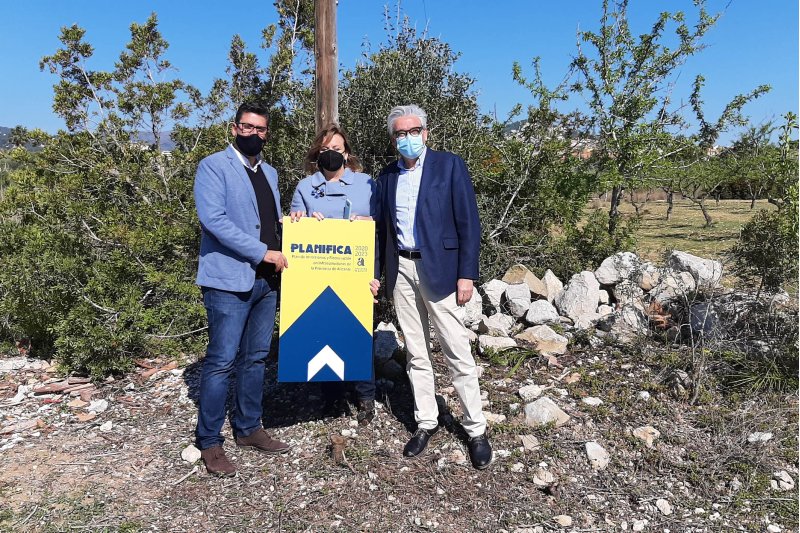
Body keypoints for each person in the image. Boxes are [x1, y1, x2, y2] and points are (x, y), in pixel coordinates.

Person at [372, 104, 492, 469]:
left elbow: (468, 223)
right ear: (393, 139)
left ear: (426, 132)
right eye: (399, 133)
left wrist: (466, 274)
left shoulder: (450, 165)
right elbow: (380, 229)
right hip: (402, 270)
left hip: (441, 270)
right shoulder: (387, 175)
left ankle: (475, 429)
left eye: (413, 131)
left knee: (456, 349)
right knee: (416, 352)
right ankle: (426, 422)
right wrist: (377, 271)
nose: (406, 138)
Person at [193, 102, 291, 476]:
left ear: (267, 133)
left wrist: (297, 227)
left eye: (260, 129)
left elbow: (272, 220)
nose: (254, 134)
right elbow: (213, 220)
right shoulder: (213, 166)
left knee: (255, 359)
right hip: (228, 281)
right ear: (234, 129)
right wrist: (262, 252)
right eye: (247, 128)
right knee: (220, 362)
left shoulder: (270, 173)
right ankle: (209, 441)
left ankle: (249, 428)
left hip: (265, 282)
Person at [289, 123, 378, 425]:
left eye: (336, 150)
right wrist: (299, 220)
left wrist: (378, 273)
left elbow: (382, 228)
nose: (331, 155)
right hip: (315, 275)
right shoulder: (305, 187)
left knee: (359, 329)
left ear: (347, 153)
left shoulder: (367, 184)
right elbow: (292, 226)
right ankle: (331, 397)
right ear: (317, 154)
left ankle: (366, 396)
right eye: (325, 150)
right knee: (322, 328)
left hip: (358, 273)